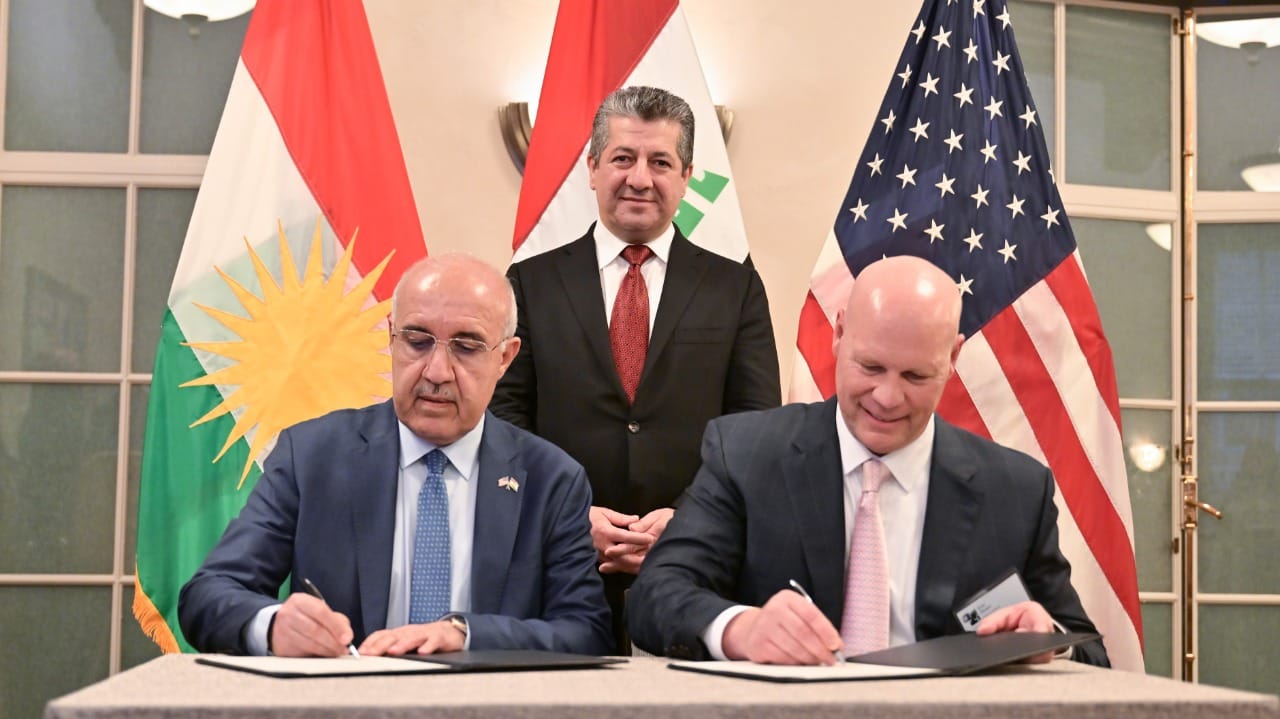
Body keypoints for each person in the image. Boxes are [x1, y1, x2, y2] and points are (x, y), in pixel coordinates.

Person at [626, 255, 1110, 667]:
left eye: (916, 376)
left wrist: (1047, 640)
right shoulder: (748, 454)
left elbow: (1090, 651)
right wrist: (740, 629)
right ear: (838, 334)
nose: (887, 397)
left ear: (953, 358)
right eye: (871, 366)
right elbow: (656, 594)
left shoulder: (1016, 490)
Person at [179, 254, 612, 657]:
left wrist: (466, 636)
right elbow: (208, 594)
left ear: (505, 358)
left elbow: (586, 631)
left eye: (466, 347)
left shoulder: (551, 479)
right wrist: (273, 626)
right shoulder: (311, 456)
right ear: (391, 337)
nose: (436, 371)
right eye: (417, 341)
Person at [491, 86, 780, 650]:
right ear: (593, 168)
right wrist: (571, 515)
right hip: (557, 565)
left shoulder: (736, 287)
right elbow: (504, 421)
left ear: (687, 176)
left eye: (661, 162)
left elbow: (755, 428)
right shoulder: (529, 282)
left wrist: (688, 521)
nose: (640, 179)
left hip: (693, 573)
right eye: (623, 158)